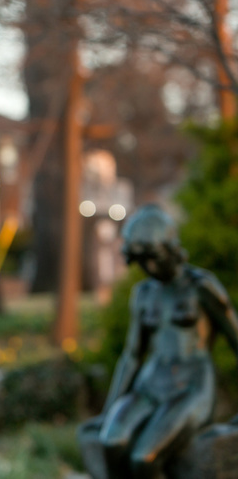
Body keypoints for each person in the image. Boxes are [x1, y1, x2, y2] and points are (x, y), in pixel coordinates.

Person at [81, 204, 238, 478]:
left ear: (171, 249)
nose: (148, 267)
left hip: (190, 388)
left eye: (153, 257)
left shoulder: (201, 287)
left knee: (145, 457)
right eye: (139, 261)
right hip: (151, 385)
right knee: (111, 442)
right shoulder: (143, 294)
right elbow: (131, 356)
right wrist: (108, 410)